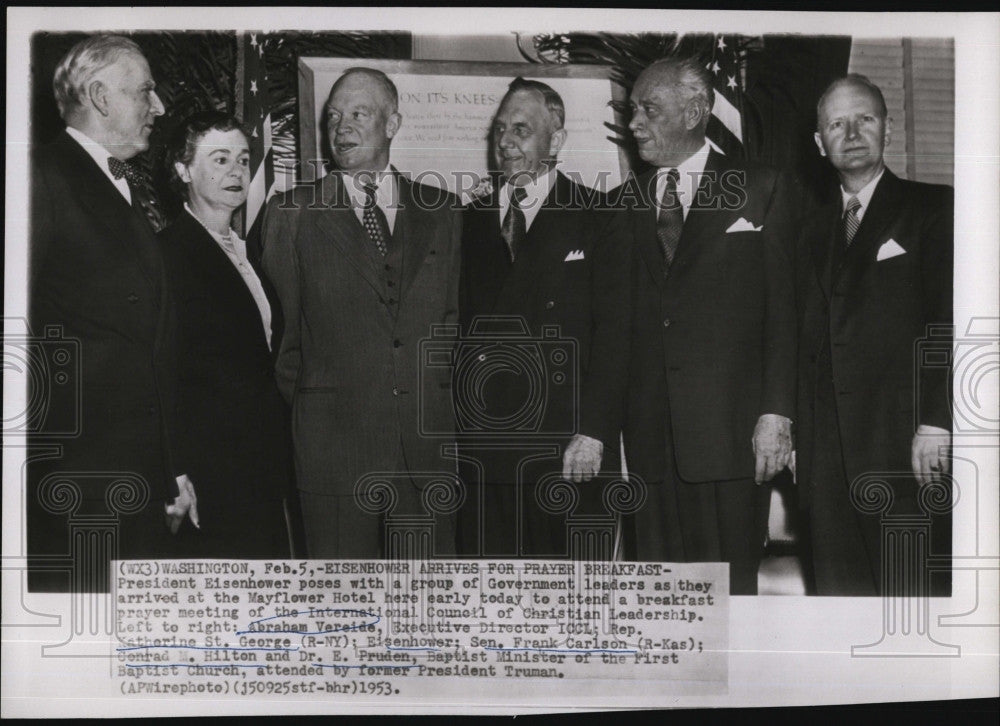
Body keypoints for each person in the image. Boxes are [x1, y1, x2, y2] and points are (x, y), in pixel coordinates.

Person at [261, 67, 462, 558]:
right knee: (341, 608)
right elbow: (284, 343)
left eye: (358, 113)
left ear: (392, 124)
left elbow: (453, 326)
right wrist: (326, 404)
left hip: (424, 454)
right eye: (333, 117)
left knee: (425, 609)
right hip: (334, 454)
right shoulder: (291, 212)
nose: (341, 128)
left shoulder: (445, 209)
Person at [619, 57, 798, 595]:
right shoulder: (621, 205)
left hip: (730, 441)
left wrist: (777, 414)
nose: (633, 123)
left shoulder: (761, 188)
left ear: (697, 110)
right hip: (648, 448)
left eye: (648, 109)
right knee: (661, 605)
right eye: (632, 111)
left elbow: (785, 312)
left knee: (729, 596)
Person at [27, 34, 191, 588]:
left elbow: (150, 345)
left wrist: (169, 472)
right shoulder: (39, 178)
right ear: (99, 96)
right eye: (145, 91)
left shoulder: (124, 182)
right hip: (77, 487)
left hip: (135, 484)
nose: (159, 106)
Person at [456, 77, 631, 557]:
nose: (506, 143)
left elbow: (617, 336)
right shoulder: (464, 222)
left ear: (555, 141)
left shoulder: (601, 216)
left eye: (521, 130)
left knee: (574, 605)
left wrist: (595, 431)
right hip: (486, 457)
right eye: (499, 131)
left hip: (571, 451)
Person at [796, 74, 953, 596]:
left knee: (910, 597)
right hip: (825, 456)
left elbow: (946, 321)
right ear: (820, 143)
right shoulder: (808, 228)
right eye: (836, 123)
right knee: (838, 603)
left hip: (904, 445)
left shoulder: (934, 208)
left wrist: (936, 419)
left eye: (865, 118)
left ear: (887, 128)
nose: (852, 132)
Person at [156, 111, 293, 558]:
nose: (236, 171)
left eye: (242, 158)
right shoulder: (167, 256)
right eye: (218, 160)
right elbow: (160, 375)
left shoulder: (247, 251)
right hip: (208, 472)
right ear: (183, 171)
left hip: (259, 464)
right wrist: (175, 473)